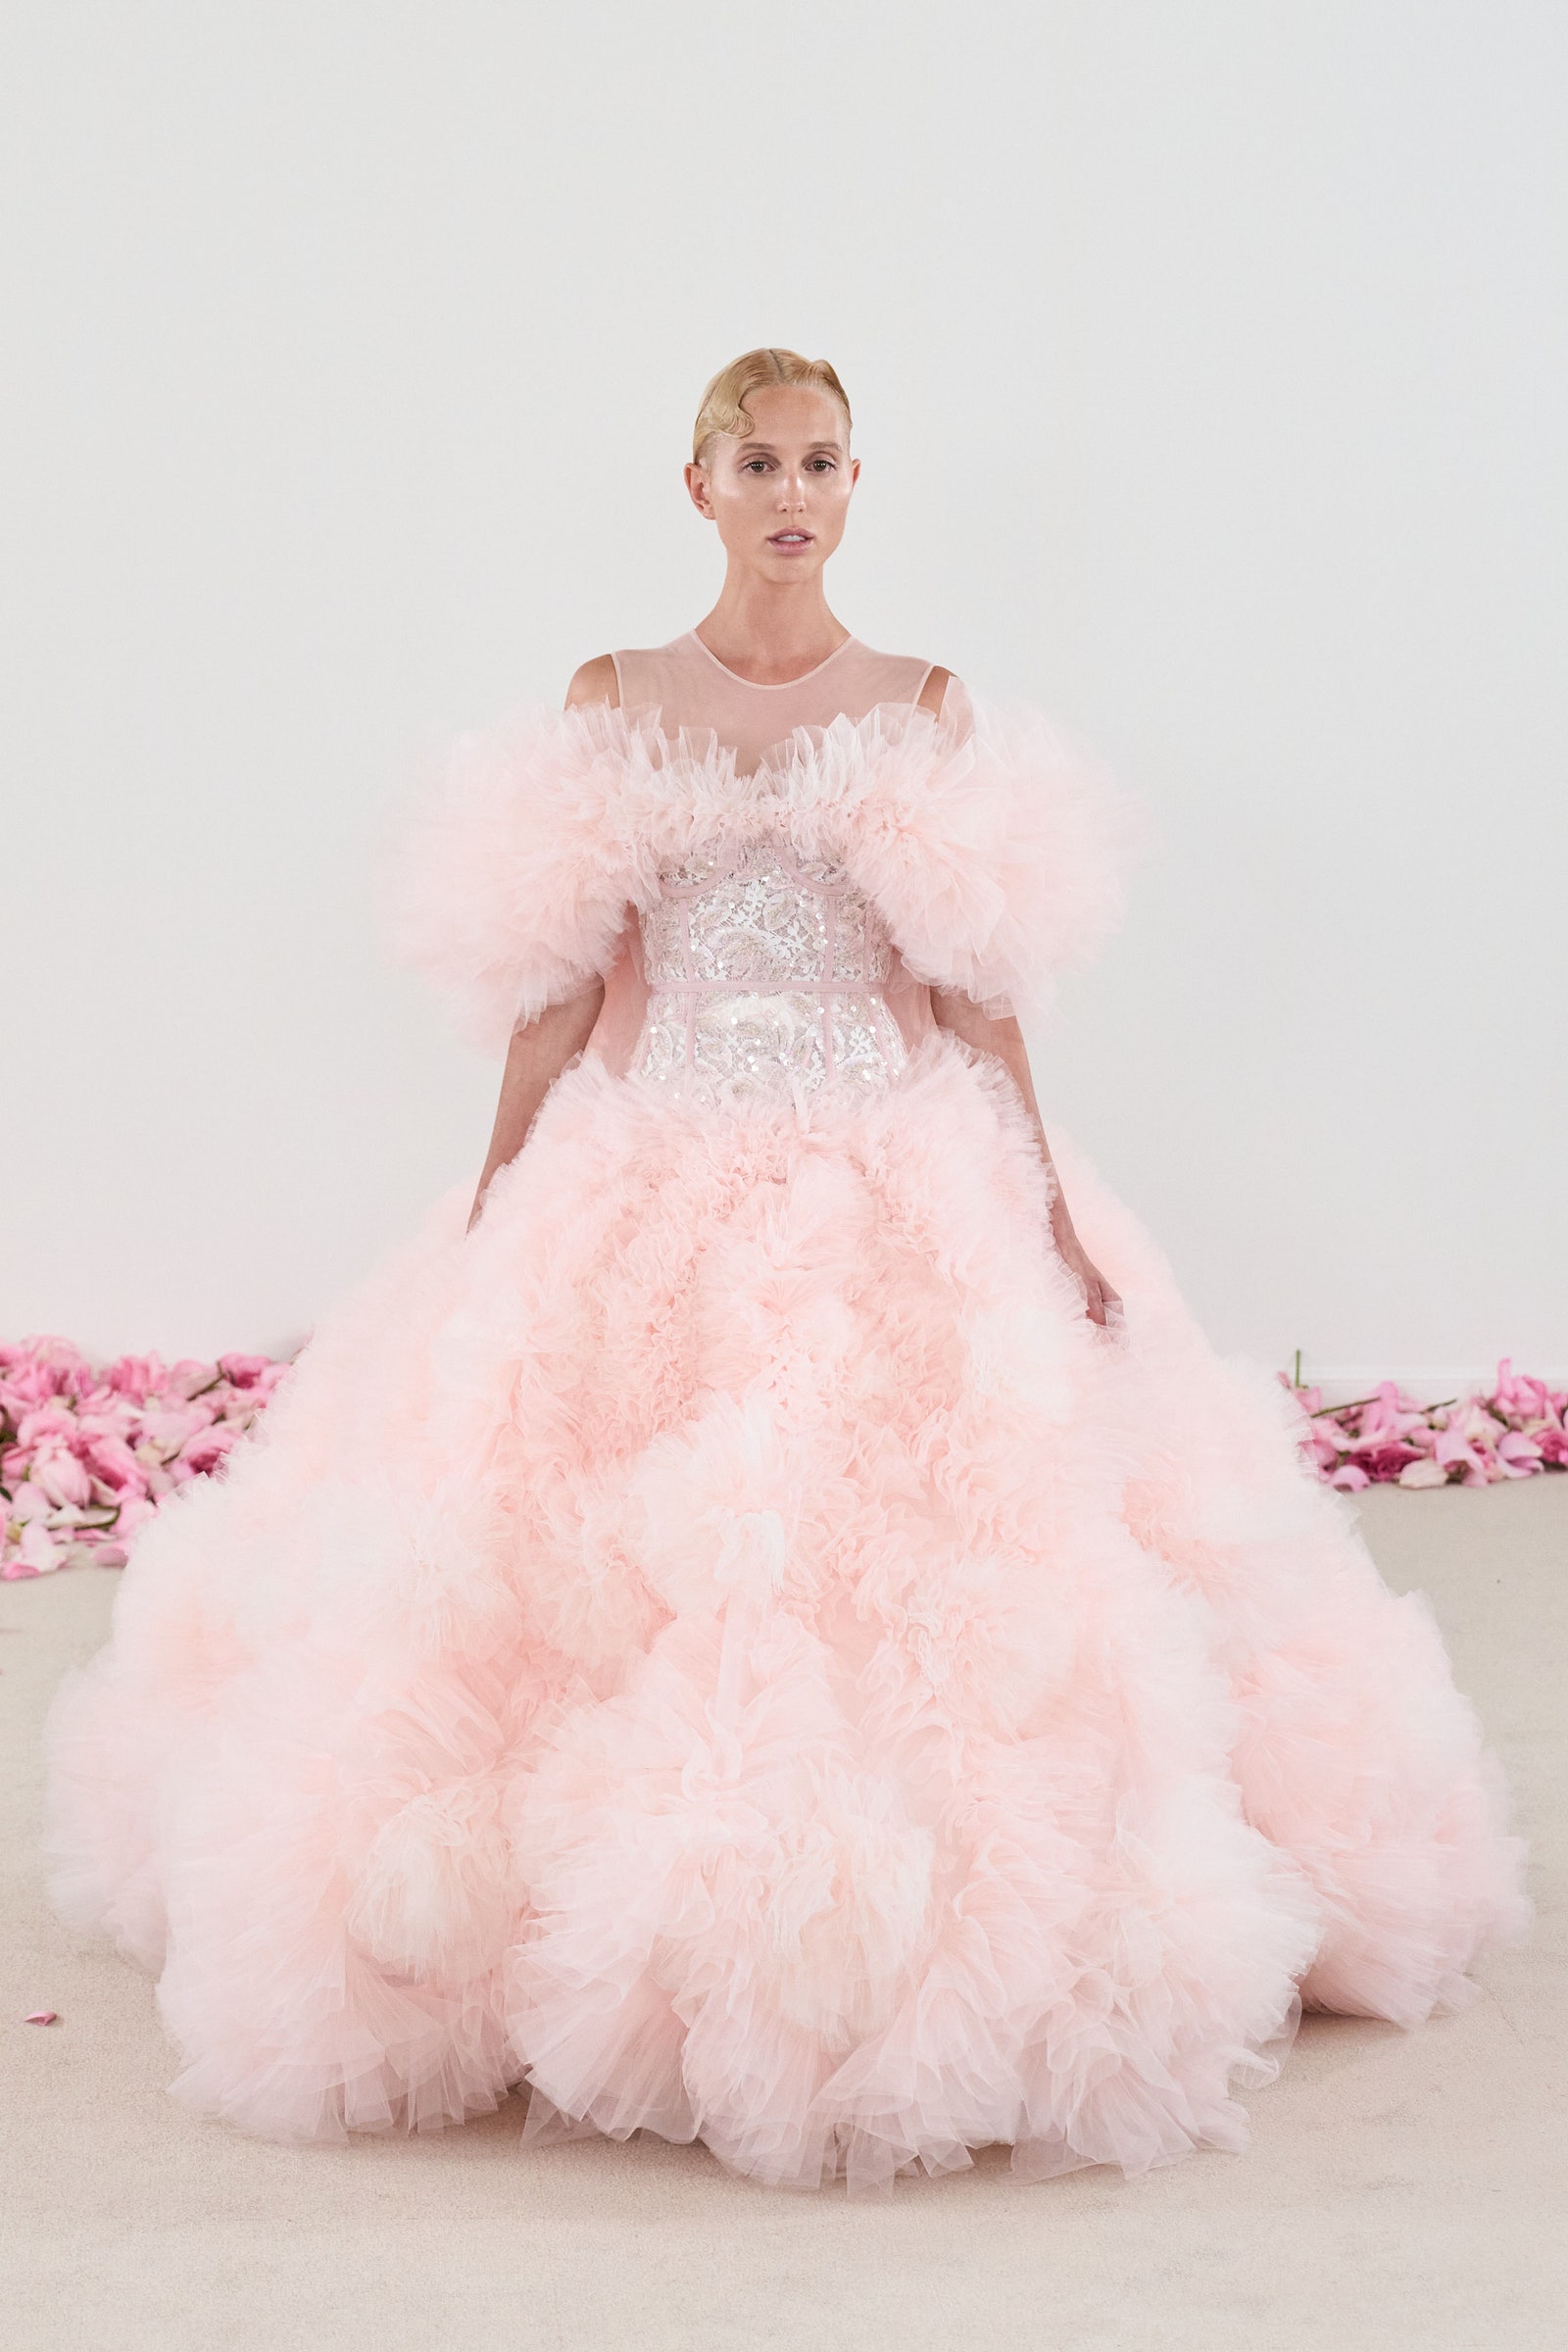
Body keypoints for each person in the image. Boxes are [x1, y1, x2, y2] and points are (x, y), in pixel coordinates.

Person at [46, 348, 1526, 2195]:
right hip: (650, 1170)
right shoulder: (616, 697)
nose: (792, 495)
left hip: (886, 1177)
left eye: (821, 463)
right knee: (562, 1563)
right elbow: (561, 984)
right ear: (700, 486)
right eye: (758, 463)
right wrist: (496, 1194)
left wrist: (1050, 1214)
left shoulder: (918, 705)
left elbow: (971, 990)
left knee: (943, 1568)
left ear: (854, 483)